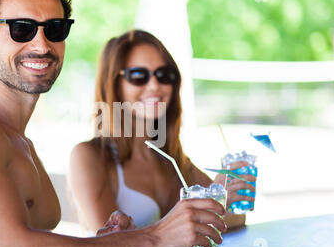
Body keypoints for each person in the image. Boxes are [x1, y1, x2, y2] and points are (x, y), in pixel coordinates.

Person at [0, 0, 226, 247]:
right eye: (21, 29)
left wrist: (111, 244)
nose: (41, 45)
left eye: (54, 29)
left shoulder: (19, 141)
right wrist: (154, 237)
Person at [68, 30, 256, 234]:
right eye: (139, 75)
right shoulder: (89, 156)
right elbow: (108, 243)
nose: (155, 85)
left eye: (164, 75)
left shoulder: (173, 159)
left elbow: (236, 218)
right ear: (113, 83)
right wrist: (209, 202)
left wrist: (225, 195)